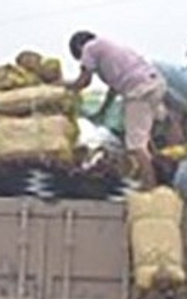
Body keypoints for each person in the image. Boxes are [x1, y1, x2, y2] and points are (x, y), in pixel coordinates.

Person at [67, 31, 168, 188]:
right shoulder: (111, 48)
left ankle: (150, 186)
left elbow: (84, 81)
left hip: (139, 90)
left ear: (79, 47)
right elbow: (114, 89)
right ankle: (162, 175)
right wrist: (103, 110)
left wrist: (65, 87)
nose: (83, 62)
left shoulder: (89, 47)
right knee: (146, 137)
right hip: (155, 83)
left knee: (135, 145)